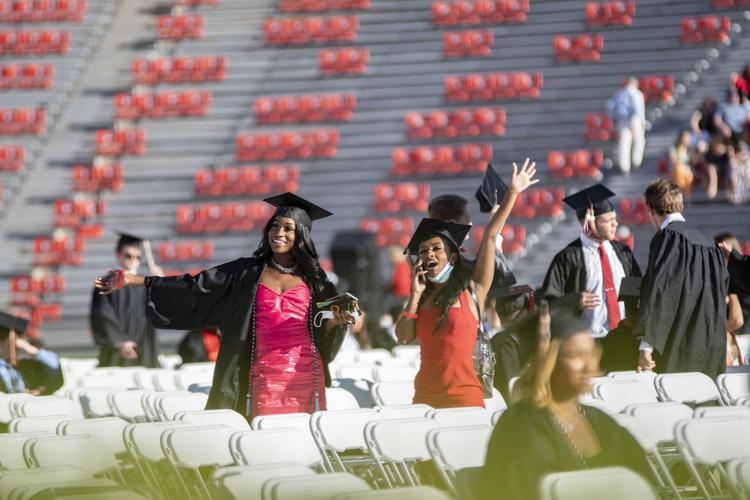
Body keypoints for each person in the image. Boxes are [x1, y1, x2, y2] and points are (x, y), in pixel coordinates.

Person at [95, 193, 358, 417]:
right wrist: (131, 279)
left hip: (305, 375)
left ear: (301, 234)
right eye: (275, 226)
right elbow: (194, 285)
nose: (279, 233)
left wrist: (336, 321)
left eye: (288, 228)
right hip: (262, 375)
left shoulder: (315, 280)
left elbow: (325, 327)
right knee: (265, 437)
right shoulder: (246, 273)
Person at [396, 159, 538, 408]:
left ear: (452, 255)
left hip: (465, 398)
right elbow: (403, 337)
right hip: (425, 400)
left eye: (436, 249)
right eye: (424, 250)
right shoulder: (422, 296)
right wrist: (414, 295)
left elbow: (491, 236)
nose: (429, 255)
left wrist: (513, 193)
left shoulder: (473, 288)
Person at [476, 307, 652, 500]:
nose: (589, 366)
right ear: (546, 361)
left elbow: (642, 483)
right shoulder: (519, 426)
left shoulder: (601, 421)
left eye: (592, 354)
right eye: (576, 355)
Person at [634, 180, 729, 379]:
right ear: (681, 205)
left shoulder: (668, 238)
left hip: (679, 343)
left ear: (650, 208)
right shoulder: (710, 243)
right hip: (710, 344)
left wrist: (646, 345)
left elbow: (661, 290)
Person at [540, 184, 641, 340]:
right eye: (608, 220)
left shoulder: (623, 253)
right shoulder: (567, 258)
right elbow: (548, 304)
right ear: (588, 222)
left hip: (624, 339)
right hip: (586, 343)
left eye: (615, 219)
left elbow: (636, 293)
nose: (615, 224)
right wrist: (573, 301)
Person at [90, 232, 164, 368]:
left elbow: (162, 310)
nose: (133, 260)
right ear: (118, 254)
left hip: (145, 349)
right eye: (128, 255)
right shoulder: (106, 283)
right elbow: (102, 315)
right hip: (117, 351)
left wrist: (161, 284)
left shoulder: (146, 283)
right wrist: (120, 341)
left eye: (137, 257)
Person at [0, 311, 61, 396]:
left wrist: (31, 350)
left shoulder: (26, 367)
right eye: (12, 340)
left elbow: (55, 367)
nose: (15, 345)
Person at [607, 77, 646, 173]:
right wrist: (640, 122)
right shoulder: (637, 94)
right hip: (634, 119)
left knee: (624, 142)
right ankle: (636, 160)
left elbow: (610, 107)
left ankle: (624, 166)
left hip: (622, 120)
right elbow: (638, 109)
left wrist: (613, 119)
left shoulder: (619, 94)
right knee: (639, 139)